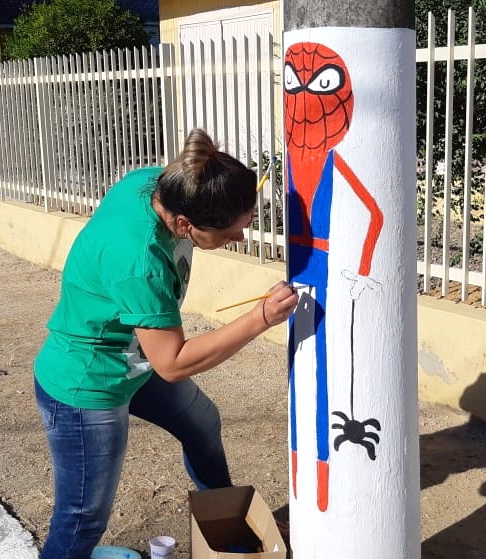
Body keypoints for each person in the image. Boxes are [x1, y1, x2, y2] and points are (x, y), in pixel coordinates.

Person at [33, 128, 298, 559]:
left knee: (202, 424)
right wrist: (260, 319)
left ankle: (229, 528)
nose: (240, 239)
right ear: (184, 224)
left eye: (244, 223)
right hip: (88, 384)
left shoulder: (164, 183)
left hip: (133, 362)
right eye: (229, 232)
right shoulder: (141, 263)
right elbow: (172, 363)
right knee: (82, 516)